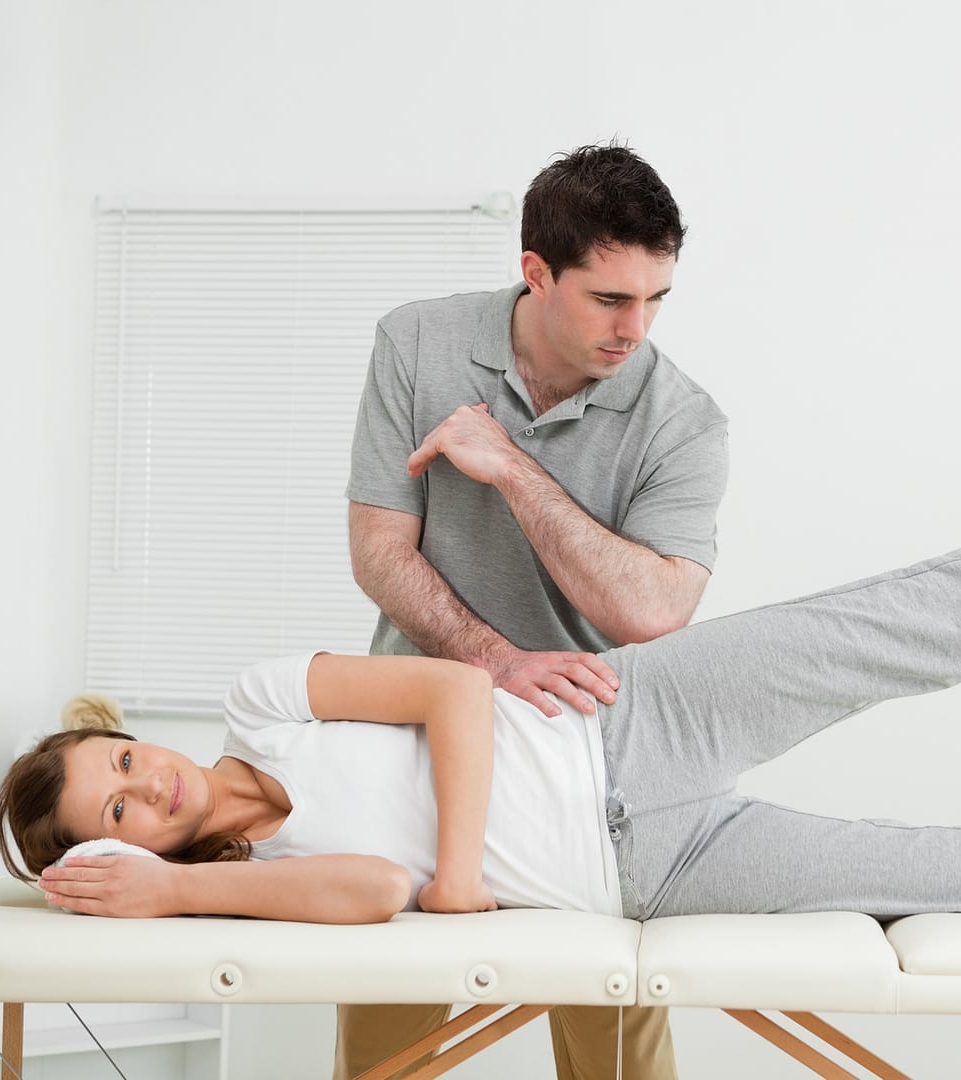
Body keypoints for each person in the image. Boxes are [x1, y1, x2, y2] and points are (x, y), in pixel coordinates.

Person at [0, 474, 961, 979]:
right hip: (653, 870)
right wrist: (182, 886)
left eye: (124, 758)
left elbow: (454, 691)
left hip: (626, 725)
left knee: (941, 608)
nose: (149, 785)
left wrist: (460, 866)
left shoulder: (263, 699)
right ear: (106, 862)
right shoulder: (228, 886)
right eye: (119, 811)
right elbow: (374, 895)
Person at [342, 143, 726, 1077]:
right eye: (608, 298)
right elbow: (379, 553)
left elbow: (654, 610)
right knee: (389, 1039)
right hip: (414, 734)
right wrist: (496, 664)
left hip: (587, 755)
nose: (634, 328)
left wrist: (512, 468)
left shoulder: (683, 418)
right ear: (535, 272)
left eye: (656, 299)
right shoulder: (417, 343)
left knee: (611, 1035)